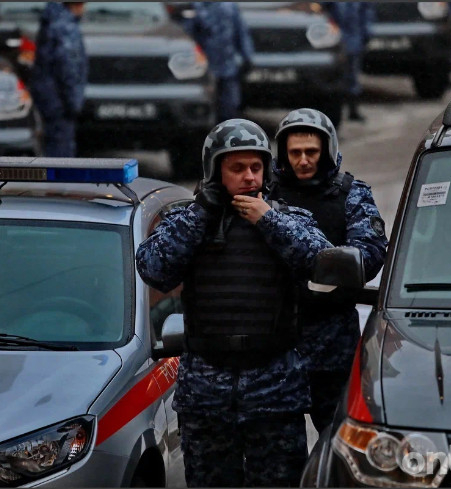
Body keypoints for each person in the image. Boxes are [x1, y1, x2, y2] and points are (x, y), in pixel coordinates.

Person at [135, 118, 332, 487]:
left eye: (256, 167)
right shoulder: (189, 221)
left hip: (274, 391)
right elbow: (153, 269)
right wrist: (201, 213)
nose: (249, 177)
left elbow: (322, 262)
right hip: (206, 393)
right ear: (215, 172)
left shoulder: (288, 218)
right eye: (237, 168)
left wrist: (269, 221)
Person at [269, 108, 388, 432]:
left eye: (311, 152)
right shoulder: (265, 195)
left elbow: (371, 253)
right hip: (275, 347)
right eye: (295, 152)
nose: (303, 160)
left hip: (332, 343)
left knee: (341, 439)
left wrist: (327, 265)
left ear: (327, 151)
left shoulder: (350, 193)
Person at [29, 2, 88, 157]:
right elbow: (68, 67)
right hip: (60, 102)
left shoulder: (51, 21)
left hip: (48, 97)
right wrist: (74, 102)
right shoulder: (66, 27)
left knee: (51, 146)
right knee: (61, 151)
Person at [181, 2, 254, 122]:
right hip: (204, 68)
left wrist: (247, 57)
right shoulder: (196, 7)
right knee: (205, 106)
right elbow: (187, 36)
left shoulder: (229, 7)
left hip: (227, 65)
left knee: (229, 105)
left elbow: (240, 32)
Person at [322, 2, 374, 121]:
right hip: (335, 44)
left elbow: (366, 14)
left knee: (352, 78)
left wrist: (366, 34)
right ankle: (335, 111)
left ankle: (352, 110)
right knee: (334, 79)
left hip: (353, 41)